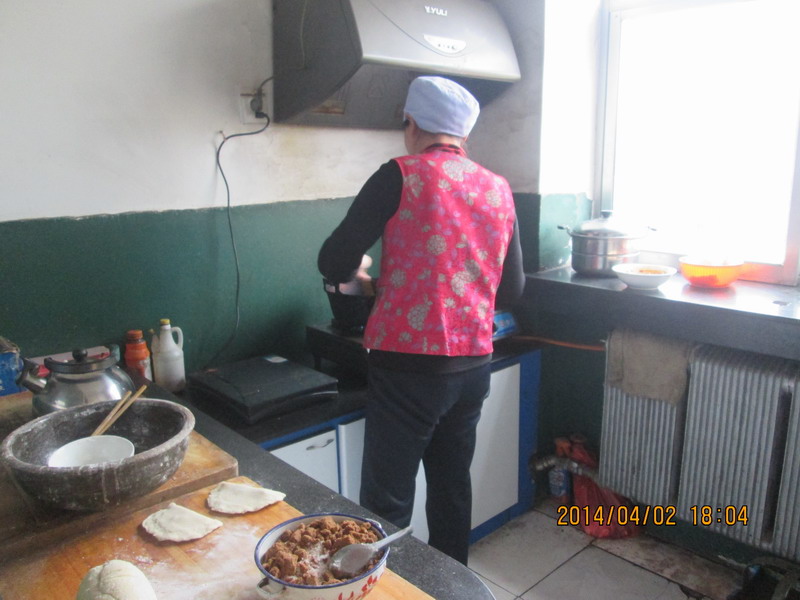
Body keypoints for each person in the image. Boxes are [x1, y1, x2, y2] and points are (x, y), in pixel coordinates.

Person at [317, 76, 525, 565]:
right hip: (472, 366)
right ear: (464, 135)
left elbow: (332, 260)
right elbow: (511, 290)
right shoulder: (497, 187)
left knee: (386, 503)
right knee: (451, 489)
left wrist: (358, 271)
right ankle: (452, 590)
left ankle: (390, 590)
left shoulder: (399, 174)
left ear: (411, 123)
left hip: (406, 369)